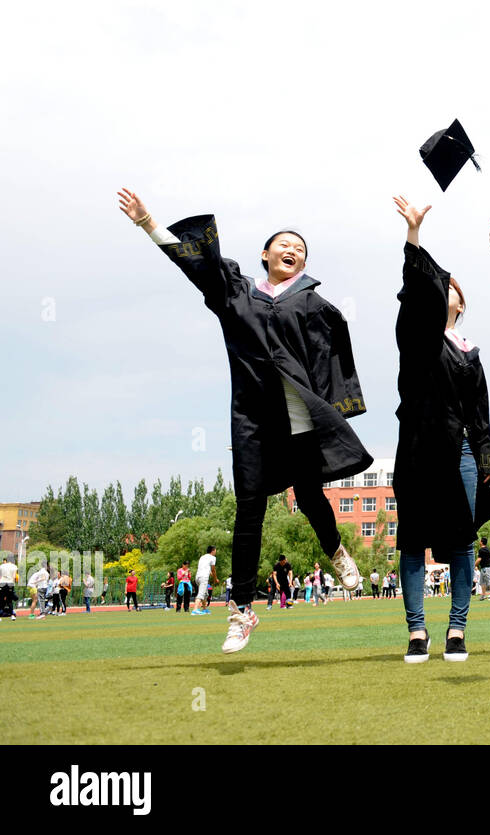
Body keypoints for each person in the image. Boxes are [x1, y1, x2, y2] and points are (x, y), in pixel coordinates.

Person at [117, 189, 368, 654]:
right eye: (284, 244)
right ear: (265, 254)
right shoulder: (238, 292)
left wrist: (339, 407)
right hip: (253, 419)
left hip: (301, 419)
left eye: (300, 249)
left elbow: (335, 354)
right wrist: (149, 224)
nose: (292, 251)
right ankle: (242, 610)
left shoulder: (312, 304)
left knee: (310, 495)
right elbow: (196, 266)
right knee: (248, 509)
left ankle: (335, 549)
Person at [194, 545, 218, 615]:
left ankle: (204, 609)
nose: (216, 552)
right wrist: (215, 579)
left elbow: (205, 567)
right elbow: (213, 570)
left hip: (198, 577)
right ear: (213, 551)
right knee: (201, 594)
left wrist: (210, 573)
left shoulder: (202, 557)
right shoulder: (213, 558)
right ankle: (195, 609)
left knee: (205, 593)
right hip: (203, 577)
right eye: (215, 550)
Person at [476, 537, 490, 602]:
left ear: (481, 542)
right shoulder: (486, 549)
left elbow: (479, 559)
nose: (479, 542)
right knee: (482, 582)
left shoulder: (482, 550)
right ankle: (483, 595)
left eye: (480, 541)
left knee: (489, 582)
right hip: (484, 568)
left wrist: (473, 565)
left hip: (486, 568)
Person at [0, 552, 17, 619]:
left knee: (1, 599)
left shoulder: (1, 566)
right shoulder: (14, 566)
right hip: (10, 583)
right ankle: (12, 615)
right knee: (9, 600)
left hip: (2, 583)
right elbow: (14, 577)